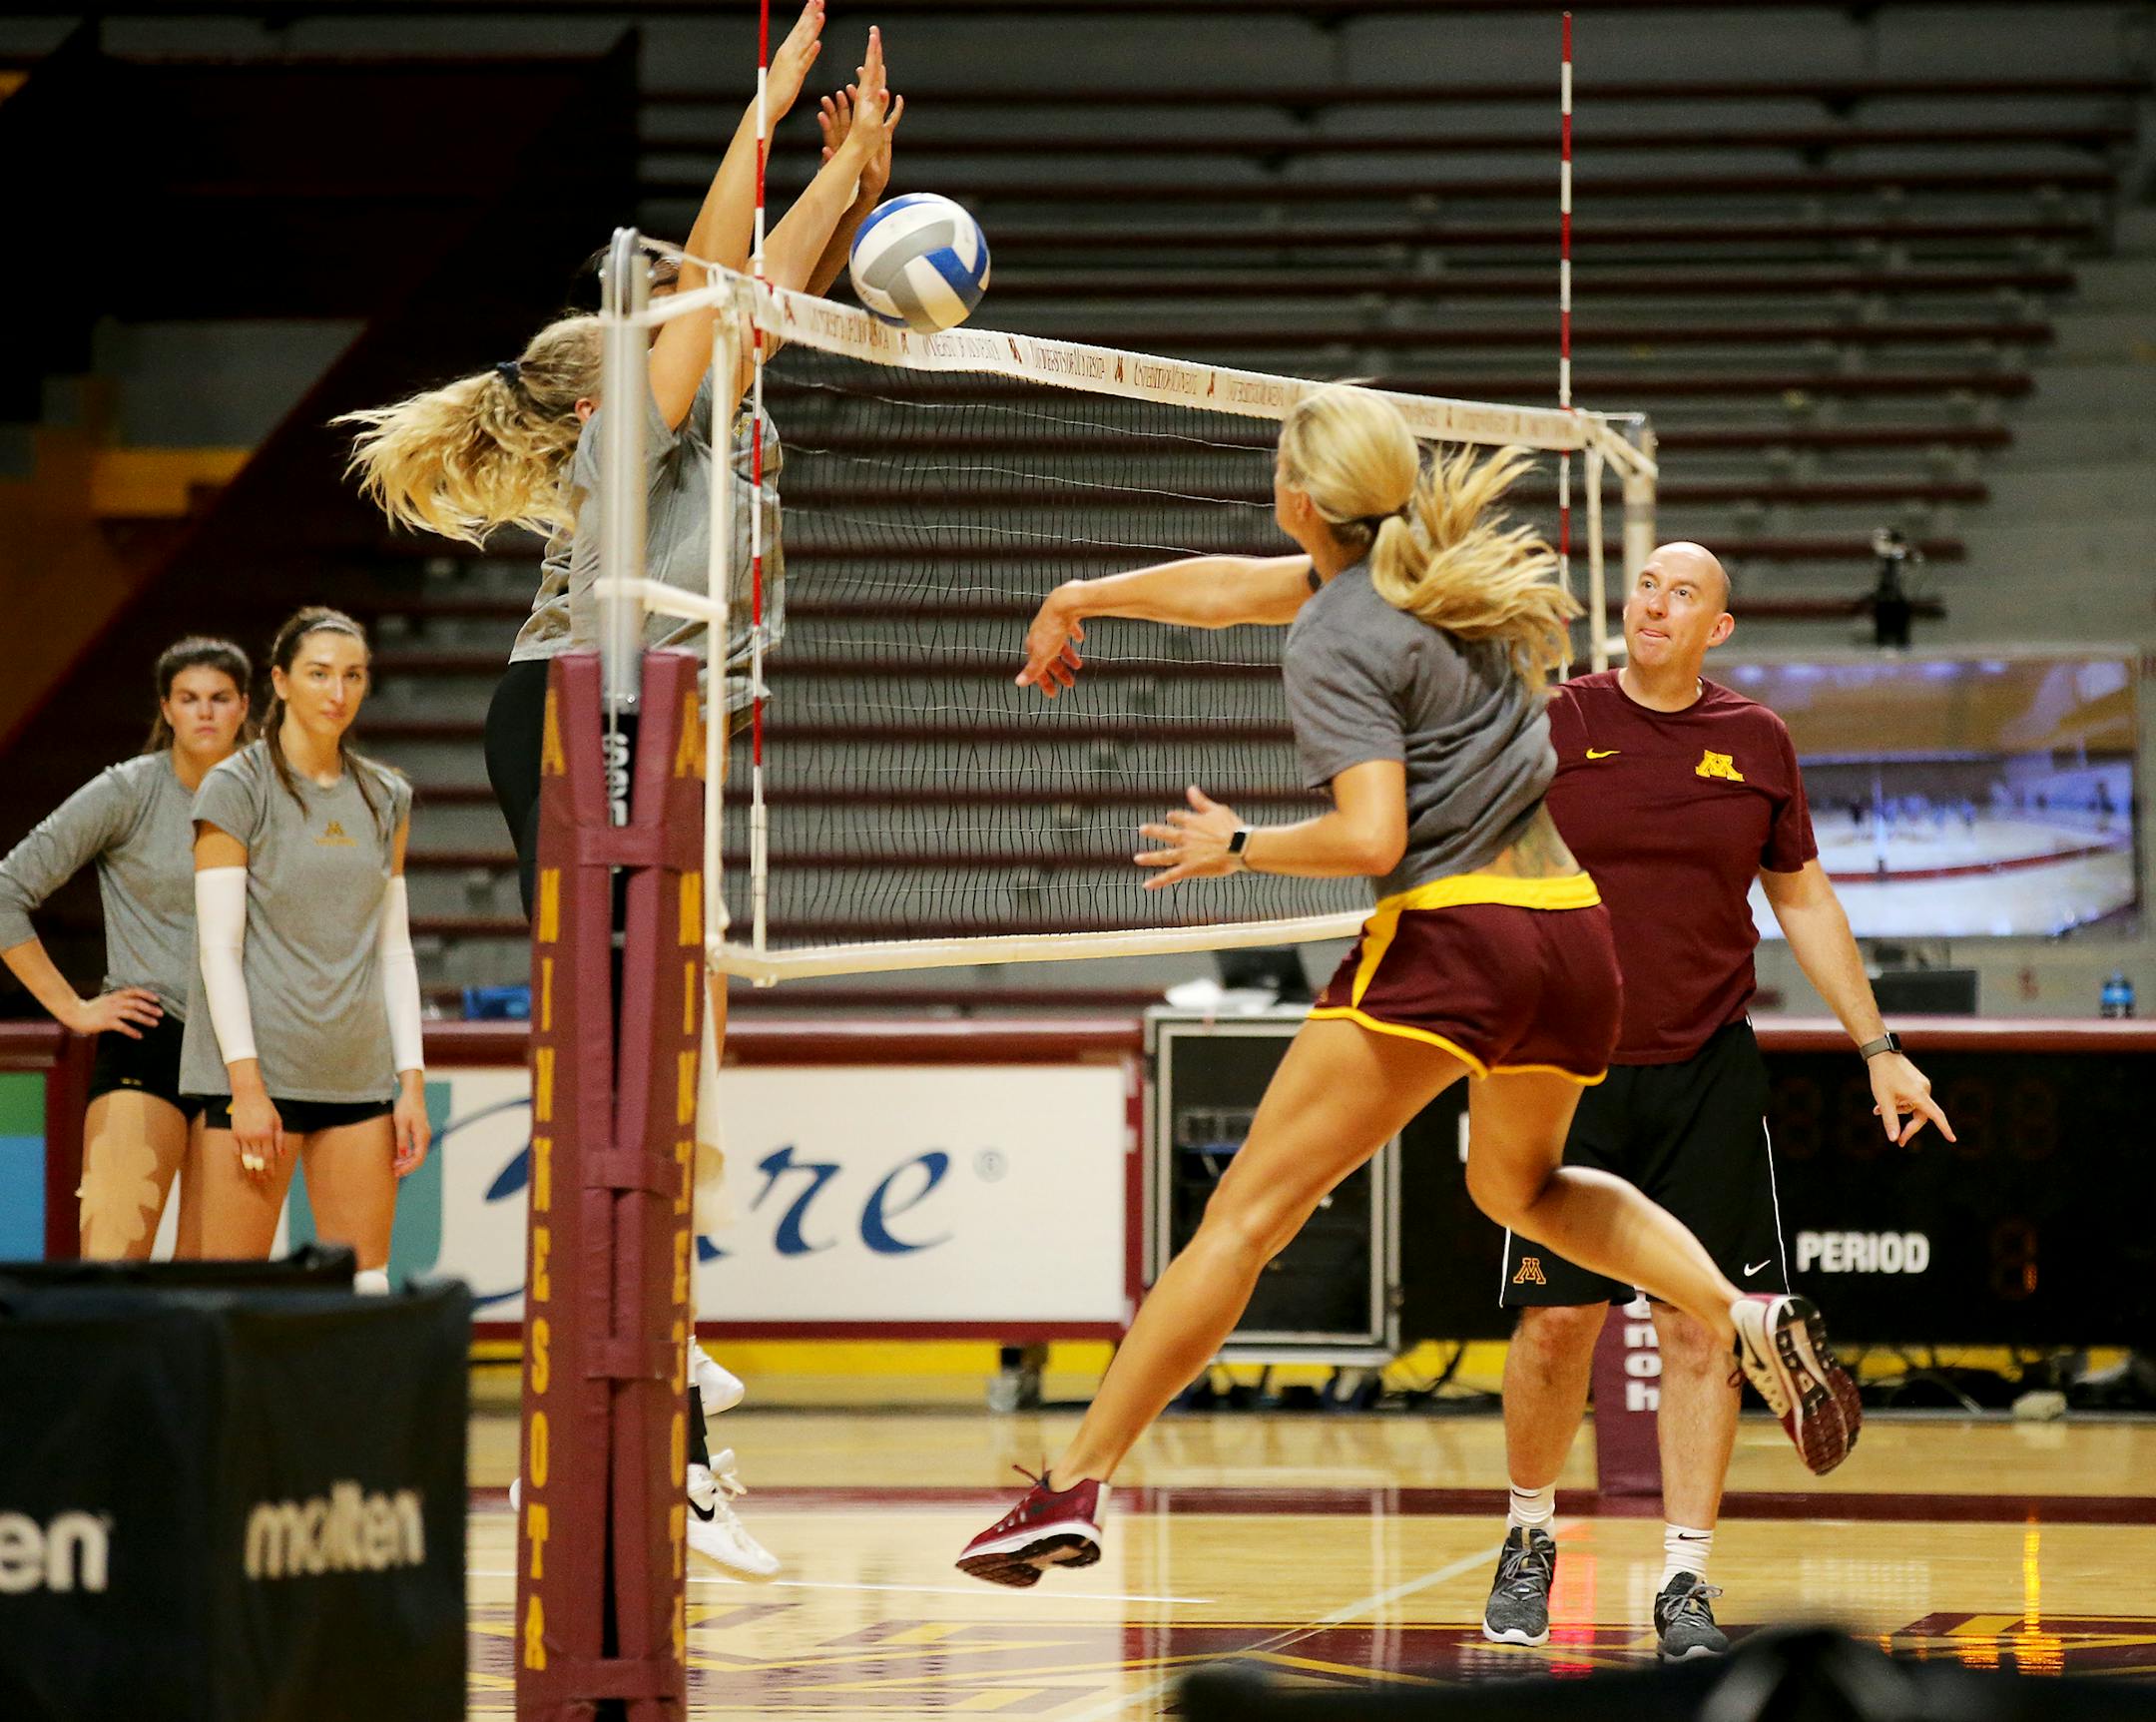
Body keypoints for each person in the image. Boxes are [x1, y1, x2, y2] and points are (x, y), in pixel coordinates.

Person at [956, 390, 1863, 1589]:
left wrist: (1240, 849)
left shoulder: (1333, 630)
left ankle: (1073, 1483)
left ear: (1298, 502)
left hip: (1457, 938)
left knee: (1246, 1218)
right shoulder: (1441, 579)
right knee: (1521, 1185)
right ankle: (1746, 1317)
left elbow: (1373, 835)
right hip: (1576, 940)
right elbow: (1234, 587)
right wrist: (1083, 597)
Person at [335, 2, 899, 1582]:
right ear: (617, 383)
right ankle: (680, 1440)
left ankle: (673, 1364)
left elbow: (755, 284)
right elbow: (721, 279)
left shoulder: (713, 406)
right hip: (591, 723)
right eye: (672, 335)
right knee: (636, 1083)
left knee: (673, 1083)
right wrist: (767, 108)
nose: (712, 330)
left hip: (651, 728)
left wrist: (848, 171)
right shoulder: (635, 431)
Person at [1477, 542, 1953, 1661]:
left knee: (1703, 1333)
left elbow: (1805, 899)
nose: (1655, 603)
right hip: (1565, 1071)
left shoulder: (1757, 743)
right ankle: (1528, 1537)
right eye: (1646, 585)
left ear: (1717, 629)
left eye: (1682, 592)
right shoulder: (1554, 720)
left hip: (1705, 1071)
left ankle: (1686, 1578)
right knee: (1557, 1327)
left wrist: (1878, 1047)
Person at [178, 608, 429, 1290]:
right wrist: (247, 1087)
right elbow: (219, 949)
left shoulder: (386, 795)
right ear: (282, 682)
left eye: (352, 676)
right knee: (234, 1293)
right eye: (319, 674)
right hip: (260, 1080)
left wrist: (410, 1082)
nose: (336, 692)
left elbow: (394, 952)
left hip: (358, 1074)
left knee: (364, 1285)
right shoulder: (236, 785)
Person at [0, 638, 253, 1258]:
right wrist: (72, 1009)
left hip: (246, 1053)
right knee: (112, 1261)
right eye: (189, 699)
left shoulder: (273, 794)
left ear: (245, 707)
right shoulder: (127, 791)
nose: (205, 714)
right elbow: (6, 889)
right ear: (166, 709)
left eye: (220, 699)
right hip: (148, 1033)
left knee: (212, 1287)